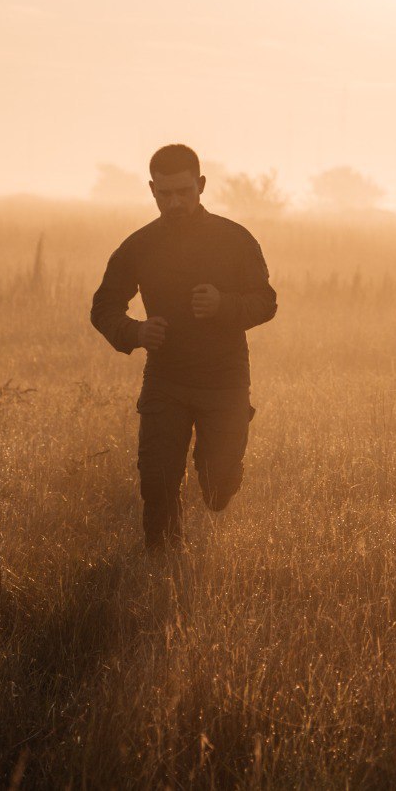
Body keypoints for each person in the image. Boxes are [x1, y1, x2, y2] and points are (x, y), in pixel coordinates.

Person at [91, 144, 277, 551]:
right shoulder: (139, 245)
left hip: (224, 382)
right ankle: (163, 564)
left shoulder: (235, 239)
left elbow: (266, 302)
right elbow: (103, 307)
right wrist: (135, 332)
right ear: (152, 190)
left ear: (201, 185)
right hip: (165, 381)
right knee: (157, 482)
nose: (174, 202)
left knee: (217, 488)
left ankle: (224, 460)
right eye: (165, 194)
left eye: (184, 192)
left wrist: (224, 304)